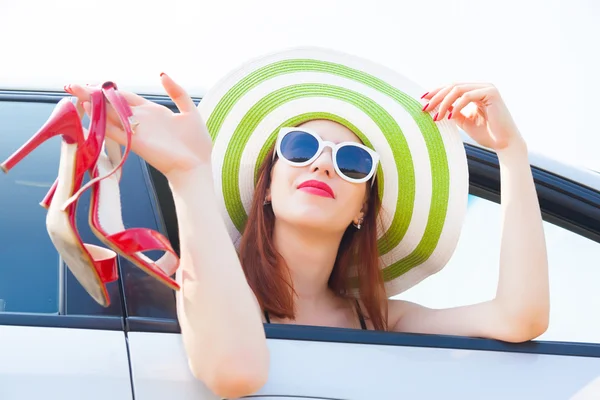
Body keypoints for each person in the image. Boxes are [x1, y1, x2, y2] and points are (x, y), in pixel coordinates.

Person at [65, 47, 548, 398]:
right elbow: (235, 374)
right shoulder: (196, 281)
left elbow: (519, 317)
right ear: (268, 187)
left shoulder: (382, 320)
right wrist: (188, 174)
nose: (321, 166)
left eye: (353, 162)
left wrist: (511, 151)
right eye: (300, 148)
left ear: (363, 208)